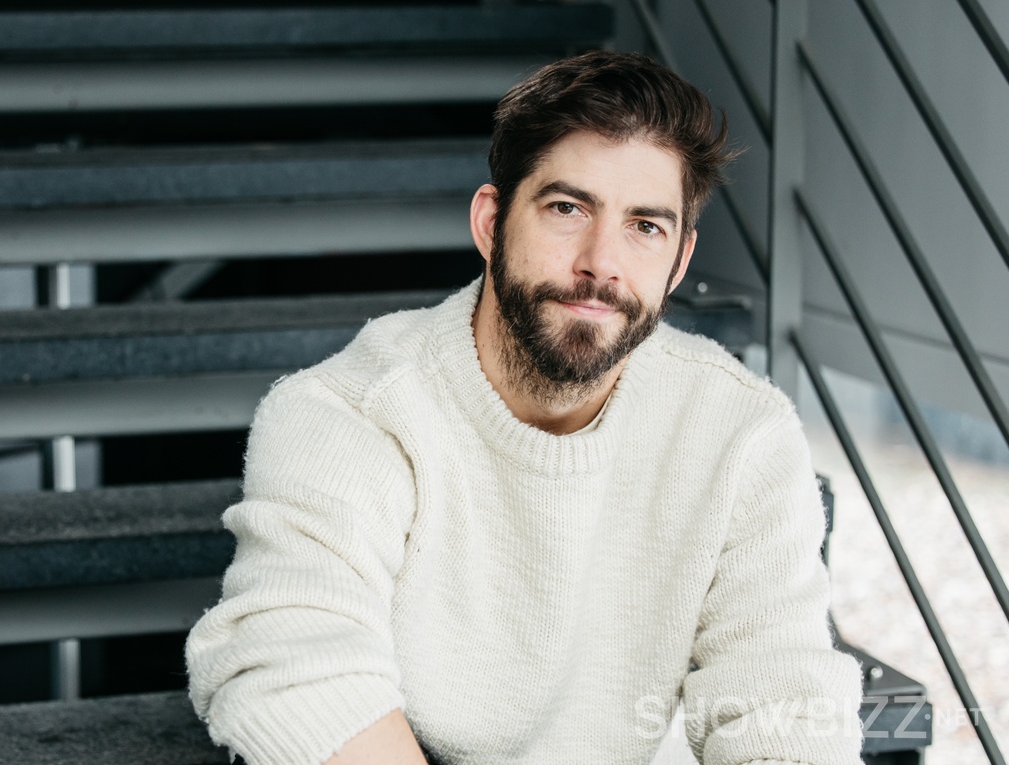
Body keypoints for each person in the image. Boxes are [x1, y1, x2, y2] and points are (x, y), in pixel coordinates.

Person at [185, 50, 863, 765]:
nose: (602, 262)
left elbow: (781, 702)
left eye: (645, 226)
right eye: (568, 208)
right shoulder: (347, 413)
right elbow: (294, 662)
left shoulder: (740, 432)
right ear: (491, 222)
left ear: (680, 261)